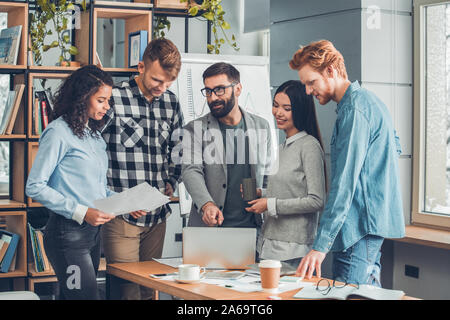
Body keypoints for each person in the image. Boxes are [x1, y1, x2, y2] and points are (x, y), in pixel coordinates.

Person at [290, 40, 405, 286]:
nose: (309, 91)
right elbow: (394, 146)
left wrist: (320, 247)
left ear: (330, 71)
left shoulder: (354, 111)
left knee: (350, 293)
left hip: (357, 229)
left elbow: (343, 185)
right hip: (369, 226)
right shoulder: (369, 102)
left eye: (312, 82)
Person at [101, 38, 184, 300]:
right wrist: (113, 199)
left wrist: (172, 177)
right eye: (157, 80)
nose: (163, 87)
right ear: (141, 67)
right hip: (121, 215)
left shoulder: (171, 103)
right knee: (125, 291)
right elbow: (94, 151)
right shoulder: (114, 98)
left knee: (151, 288)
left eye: (169, 82)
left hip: (157, 216)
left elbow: (179, 147)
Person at [25, 65, 116, 300]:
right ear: (83, 98)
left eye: (108, 100)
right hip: (68, 235)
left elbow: (95, 186)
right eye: (101, 100)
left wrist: (122, 203)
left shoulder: (93, 136)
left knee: (73, 297)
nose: (107, 107)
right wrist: (82, 211)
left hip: (92, 234)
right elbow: (34, 186)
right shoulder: (58, 133)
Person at [182, 62, 273, 233]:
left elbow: (267, 174)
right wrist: (206, 204)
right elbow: (191, 170)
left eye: (219, 90)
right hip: (209, 229)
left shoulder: (262, 126)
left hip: (252, 229)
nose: (213, 97)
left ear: (237, 89)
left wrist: (265, 195)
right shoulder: (194, 128)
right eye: (208, 91)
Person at [244, 80, 326, 269]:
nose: (278, 113)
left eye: (286, 108)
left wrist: (269, 204)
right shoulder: (282, 147)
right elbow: (290, 190)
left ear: (300, 110)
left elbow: (316, 200)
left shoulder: (309, 146)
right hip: (269, 245)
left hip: (293, 251)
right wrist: (261, 194)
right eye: (275, 105)